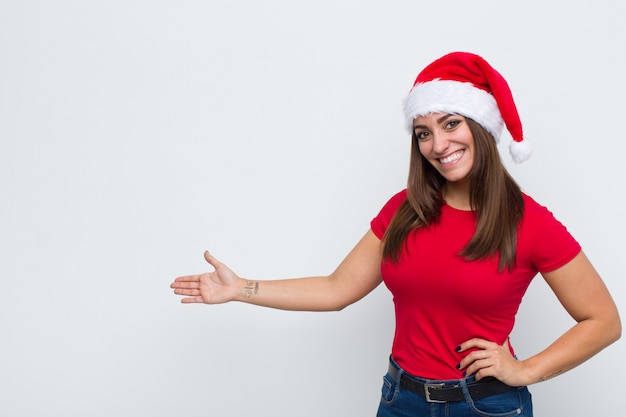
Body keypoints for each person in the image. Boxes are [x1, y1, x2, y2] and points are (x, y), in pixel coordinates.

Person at [170, 52, 621, 417]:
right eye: (423, 133)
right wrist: (241, 289)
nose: (437, 145)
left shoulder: (530, 223)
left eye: (450, 124)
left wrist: (526, 370)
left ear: (481, 127)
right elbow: (336, 289)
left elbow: (604, 321)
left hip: (485, 406)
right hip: (400, 400)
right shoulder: (406, 209)